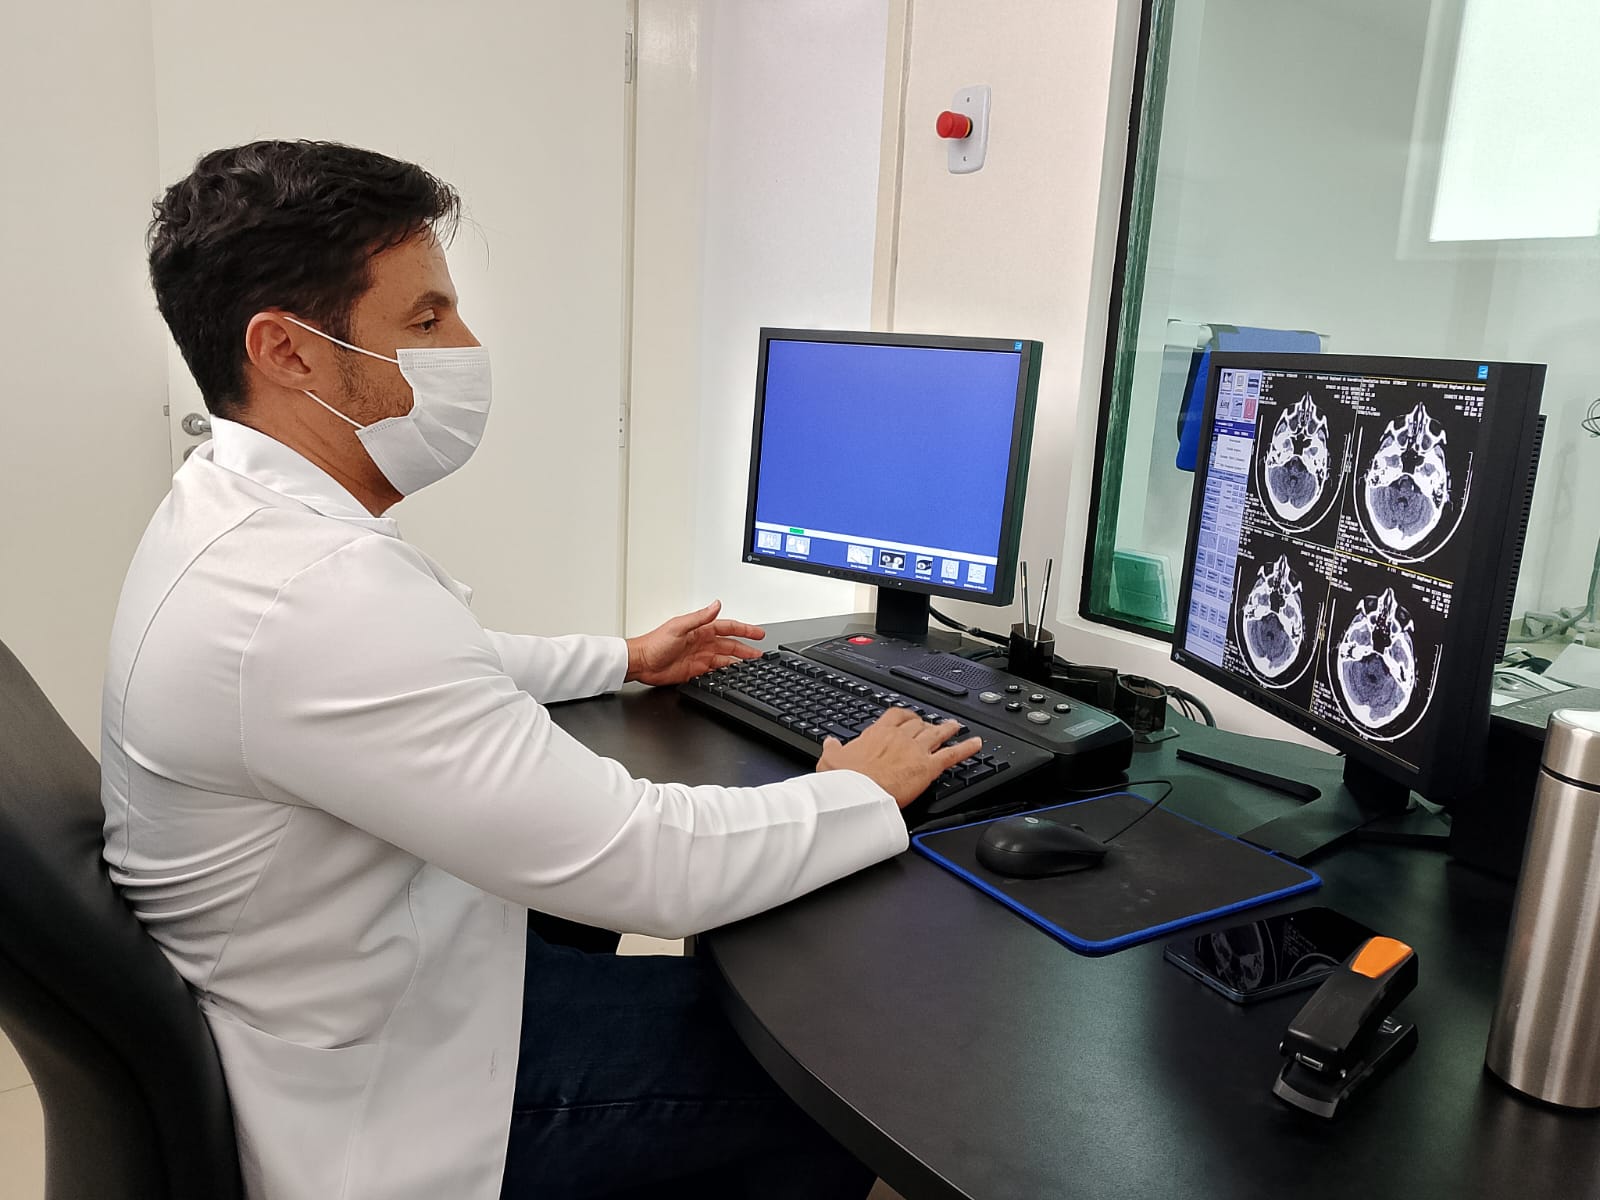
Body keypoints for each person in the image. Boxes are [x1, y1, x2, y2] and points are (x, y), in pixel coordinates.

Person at [100, 139, 981, 1200]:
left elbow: (432, 672)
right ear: (287, 351)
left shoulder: (233, 514)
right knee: (823, 1075)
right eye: (427, 319)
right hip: (391, 1097)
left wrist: (624, 658)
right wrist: (856, 792)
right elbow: (649, 867)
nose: (467, 347)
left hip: (346, 994)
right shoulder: (314, 595)